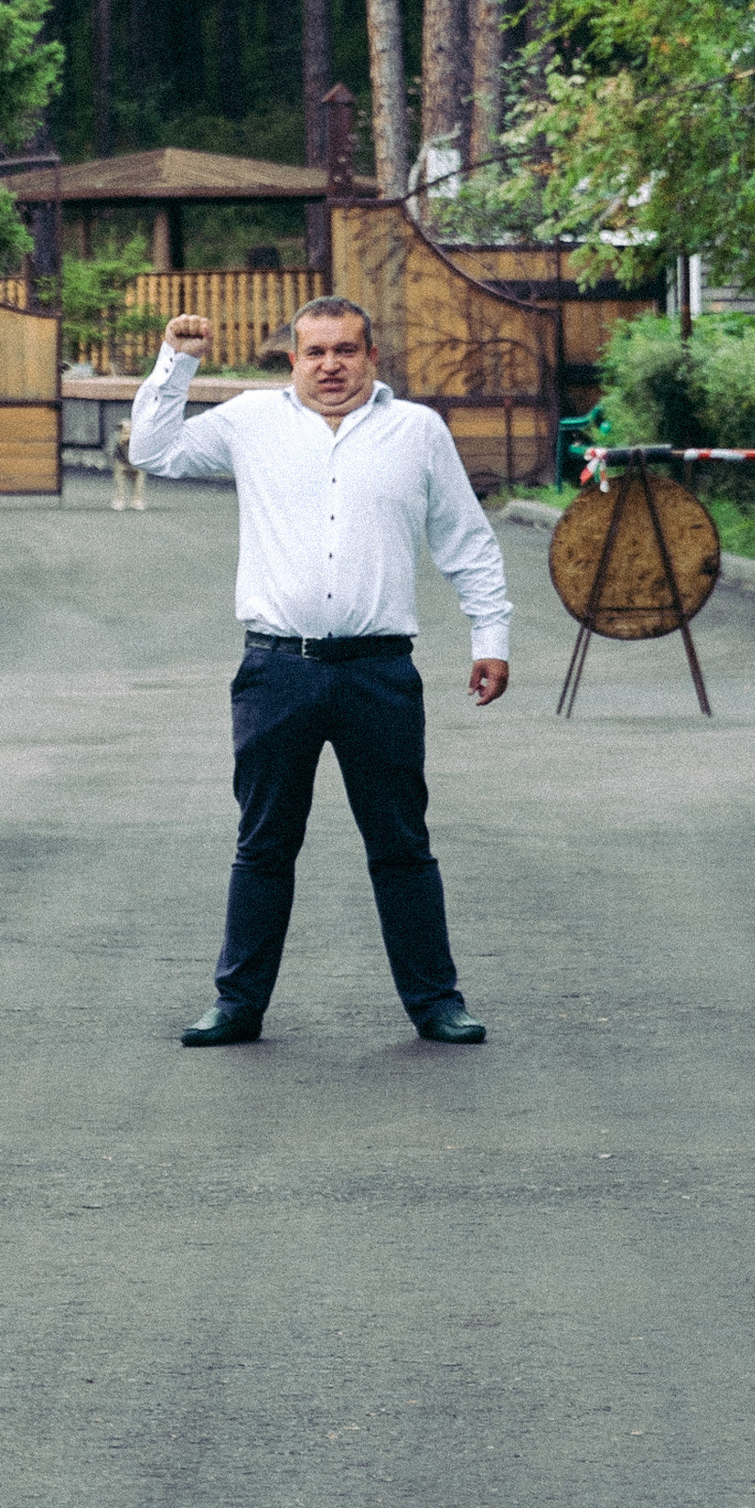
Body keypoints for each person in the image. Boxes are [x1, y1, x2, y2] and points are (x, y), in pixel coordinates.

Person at [127, 295, 511, 1046]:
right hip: (277, 671)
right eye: (315, 352)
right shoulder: (249, 421)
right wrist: (177, 363)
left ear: (372, 357)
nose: (330, 366)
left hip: (379, 673)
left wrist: (489, 636)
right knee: (264, 844)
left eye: (346, 350)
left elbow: (466, 539)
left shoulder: (417, 431)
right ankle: (238, 1005)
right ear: (294, 359)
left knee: (401, 845)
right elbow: (153, 450)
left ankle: (437, 1003)